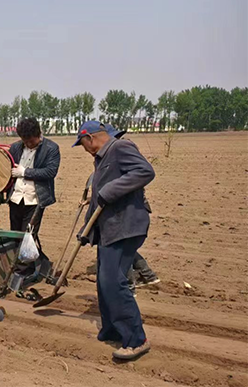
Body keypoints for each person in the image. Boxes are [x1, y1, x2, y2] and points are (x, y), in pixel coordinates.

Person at [73, 120, 155, 361]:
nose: (84, 148)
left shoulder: (120, 147)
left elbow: (145, 171)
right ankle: (112, 330)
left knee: (113, 282)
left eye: (83, 144)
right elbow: (100, 197)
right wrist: (87, 229)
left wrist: (110, 190)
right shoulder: (102, 157)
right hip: (111, 227)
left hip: (126, 226)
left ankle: (136, 340)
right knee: (104, 280)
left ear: (90, 138)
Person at [103, 124, 161, 290]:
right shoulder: (116, 154)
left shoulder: (122, 152)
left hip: (127, 211)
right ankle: (148, 275)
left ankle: (128, 286)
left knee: (120, 248)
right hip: (129, 209)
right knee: (126, 248)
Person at [8, 118, 61, 277]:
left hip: (35, 200)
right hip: (16, 198)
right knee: (16, 235)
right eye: (25, 141)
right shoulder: (16, 147)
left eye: (31, 141)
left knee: (28, 236)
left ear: (38, 135)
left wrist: (25, 172)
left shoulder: (51, 148)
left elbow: (50, 172)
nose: (28, 144)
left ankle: (21, 273)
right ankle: (34, 263)